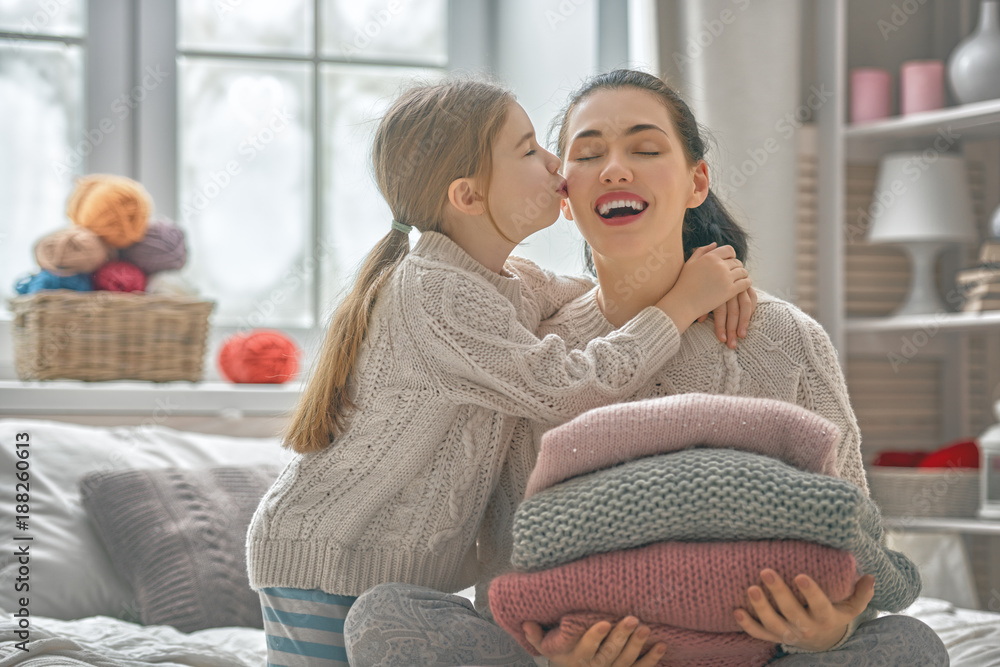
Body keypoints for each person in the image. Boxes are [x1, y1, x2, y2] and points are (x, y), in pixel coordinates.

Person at [342, 70, 950, 667]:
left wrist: (829, 630)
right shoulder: (533, 346)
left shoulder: (785, 337)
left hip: (754, 652)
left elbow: (851, 535)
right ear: (565, 195)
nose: (615, 168)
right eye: (589, 153)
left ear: (697, 181)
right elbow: (510, 555)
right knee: (384, 615)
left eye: (645, 147)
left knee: (910, 646)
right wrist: (555, 654)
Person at [245, 76, 754, 667]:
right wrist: (681, 306)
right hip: (328, 554)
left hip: (387, 573)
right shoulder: (434, 293)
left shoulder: (510, 282)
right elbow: (569, 387)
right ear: (468, 196)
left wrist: (709, 273)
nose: (555, 162)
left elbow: (600, 295)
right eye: (530, 150)